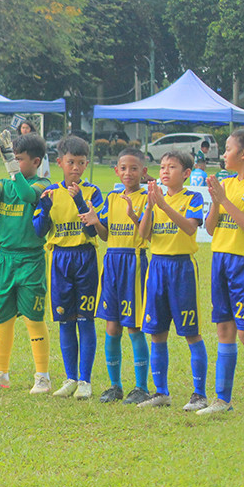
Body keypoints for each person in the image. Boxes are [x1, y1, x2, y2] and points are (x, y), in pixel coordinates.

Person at [0, 131, 53, 394]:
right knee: (3, 317)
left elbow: (27, 195)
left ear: (36, 161)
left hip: (31, 260)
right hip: (5, 259)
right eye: (13, 157)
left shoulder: (43, 184)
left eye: (19, 159)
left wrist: (10, 163)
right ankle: (1, 373)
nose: (14, 163)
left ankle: (42, 376)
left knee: (33, 317)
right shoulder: (6, 185)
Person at [200, 129, 244, 416]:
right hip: (220, 260)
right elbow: (210, 228)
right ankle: (222, 400)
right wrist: (217, 201)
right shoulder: (226, 183)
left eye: (228, 149)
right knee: (224, 329)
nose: (224, 154)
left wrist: (225, 199)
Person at [136, 151, 208, 409]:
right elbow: (143, 235)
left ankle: (199, 394)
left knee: (191, 332)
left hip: (181, 268)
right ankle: (161, 392)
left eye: (172, 167)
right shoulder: (155, 200)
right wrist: (149, 207)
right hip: (157, 266)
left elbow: (189, 228)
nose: (165, 171)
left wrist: (164, 206)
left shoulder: (193, 197)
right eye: (162, 167)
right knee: (156, 332)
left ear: (186, 173)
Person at [37, 135, 105, 399]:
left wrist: (80, 202)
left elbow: (93, 231)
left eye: (81, 163)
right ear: (59, 163)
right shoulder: (51, 193)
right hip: (60, 260)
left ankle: (85, 380)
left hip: (84, 257)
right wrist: (44, 209)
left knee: (85, 319)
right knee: (65, 320)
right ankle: (70, 378)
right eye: (71, 162)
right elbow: (38, 231)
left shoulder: (92, 192)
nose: (76, 167)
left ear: (86, 164)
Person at [96, 148, 151, 404]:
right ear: (117, 171)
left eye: (134, 168)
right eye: (123, 168)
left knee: (134, 326)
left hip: (134, 262)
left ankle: (141, 387)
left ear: (143, 172)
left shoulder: (148, 198)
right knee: (112, 325)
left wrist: (134, 215)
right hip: (112, 263)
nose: (128, 173)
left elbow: (146, 234)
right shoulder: (112, 198)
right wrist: (95, 221)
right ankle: (115, 386)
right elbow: (105, 234)